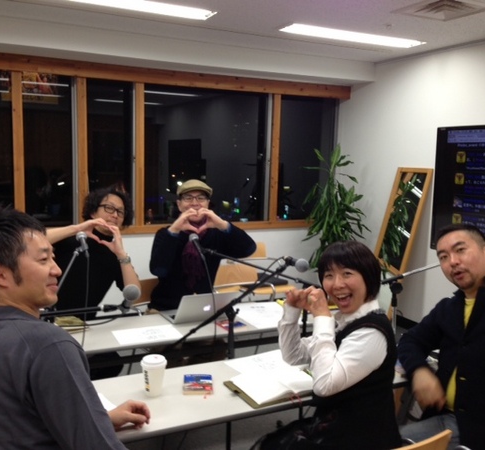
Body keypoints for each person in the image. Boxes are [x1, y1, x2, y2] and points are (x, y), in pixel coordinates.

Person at [0, 207, 151, 450]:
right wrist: (93, 428)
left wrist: (101, 419)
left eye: (53, 258)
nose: (56, 269)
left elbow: (19, 424)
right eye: (43, 260)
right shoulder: (48, 344)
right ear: (0, 274)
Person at [397, 223, 485, 450]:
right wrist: (419, 370)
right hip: (445, 420)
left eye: (460, 250)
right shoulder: (450, 308)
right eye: (443, 257)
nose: (452, 262)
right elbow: (410, 341)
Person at [253, 240, 401, 449]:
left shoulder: (371, 332)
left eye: (347, 274)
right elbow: (294, 355)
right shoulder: (346, 319)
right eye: (329, 275)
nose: (337, 284)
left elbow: (324, 386)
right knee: (272, 443)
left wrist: (322, 317)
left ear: (369, 278)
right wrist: (292, 311)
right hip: (337, 426)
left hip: (363, 437)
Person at [48, 184, 141, 379]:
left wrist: (122, 255)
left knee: (111, 363)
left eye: (120, 212)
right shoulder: (72, 239)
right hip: (51, 321)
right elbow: (27, 241)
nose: (114, 215)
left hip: (85, 325)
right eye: (109, 208)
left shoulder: (113, 252)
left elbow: (134, 293)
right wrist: (77, 228)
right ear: (92, 211)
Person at [149, 179, 257, 311]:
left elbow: (248, 249)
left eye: (201, 198)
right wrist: (174, 230)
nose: (195, 203)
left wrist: (223, 225)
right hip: (166, 307)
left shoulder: (216, 234)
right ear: (179, 205)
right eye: (188, 198)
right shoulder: (166, 234)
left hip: (204, 306)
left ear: (207, 204)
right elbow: (158, 270)